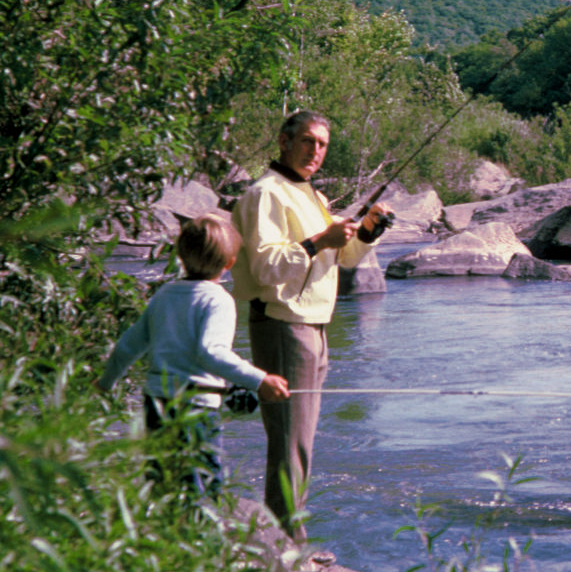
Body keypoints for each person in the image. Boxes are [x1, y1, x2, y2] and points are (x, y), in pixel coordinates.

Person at [230, 110, 392, 539]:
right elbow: (265, 267)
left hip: (313, 325)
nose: (315, 151)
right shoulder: (266, 194)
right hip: (284, 324)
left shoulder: (311, 195)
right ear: (284, 142)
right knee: (290, 446)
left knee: (300, 443)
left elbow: (341, 259)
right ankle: (288, 549)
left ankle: (285, 541)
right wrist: (320, 239)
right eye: (307, 141)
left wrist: (367, 232)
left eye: (322, 144)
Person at [98, 214, 290, 495]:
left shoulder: (164, 294)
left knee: (161, 482)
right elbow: (211, 352)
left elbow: (129, 345)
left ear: (181, 256)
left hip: (157, 404)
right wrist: (260, 380)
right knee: (203, 485)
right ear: (229, 263)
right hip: (195, 407)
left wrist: (105, 382)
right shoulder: (218, 299)